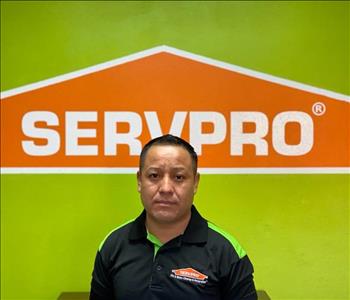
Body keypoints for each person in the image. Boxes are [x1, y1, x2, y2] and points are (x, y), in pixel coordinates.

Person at [90, 134, 257, 300]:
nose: (166, 188)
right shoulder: (112, 246)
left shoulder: (226, 251)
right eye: (154, 176)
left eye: (179, 177)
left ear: (195, 183)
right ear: (139, 181)